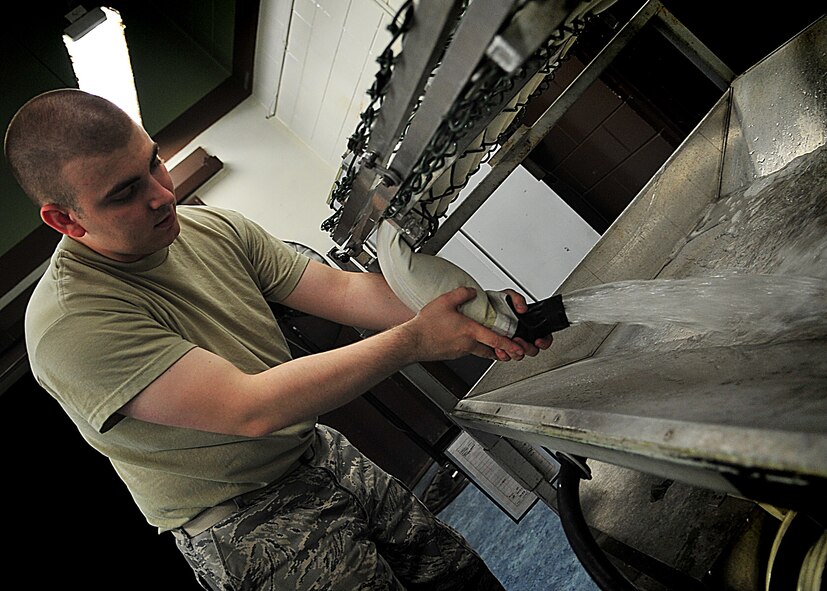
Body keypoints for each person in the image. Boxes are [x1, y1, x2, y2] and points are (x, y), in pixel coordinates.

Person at [5, 88, 552, 590]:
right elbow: (249, 408)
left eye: (153, 162)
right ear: (65, 219)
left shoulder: (208, 228)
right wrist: (416, 339)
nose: (161, 194)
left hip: (317, 452)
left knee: (459, 578)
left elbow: (338, 290)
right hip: (247, 523)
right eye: (125, 192)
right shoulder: (69, 326)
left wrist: (472, 311)